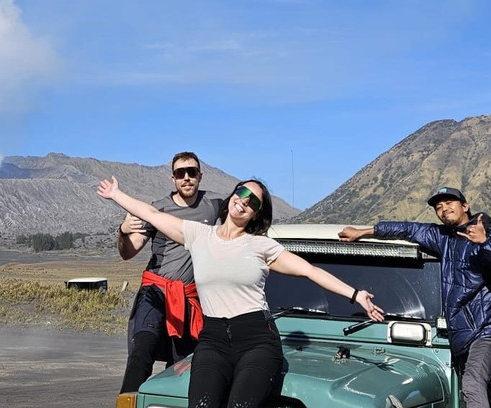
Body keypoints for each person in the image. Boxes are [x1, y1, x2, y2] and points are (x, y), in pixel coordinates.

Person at [99, 175, 385, 408]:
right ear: (232, 195)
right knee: (201, 404)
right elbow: (151, 214)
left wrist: (355, 294)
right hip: (212, 339)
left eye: (253, 201)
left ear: (256, 213)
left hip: (257, 340)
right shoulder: (198, 235)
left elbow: (310, 271)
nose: (244, 201)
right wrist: (116, 194)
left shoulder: (262, 246)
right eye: (242, 193)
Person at [339, 185, 491, 408]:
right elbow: (406, 229)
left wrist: (486, 243)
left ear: (465, 206)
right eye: (439, 207)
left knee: (473, 383)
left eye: (449, 203)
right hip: (463, 333)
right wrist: (363, 232)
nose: (444, 209)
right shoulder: (442, 237)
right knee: (479, 392)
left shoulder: (488, 235)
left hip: (488, 328)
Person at [116, 152, 223, 394]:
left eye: (191, 172)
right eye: (180, 173)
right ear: (173, 178)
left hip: (188, 298)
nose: (186, 177)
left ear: (200, 176)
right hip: (155, 293)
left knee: (181, 365)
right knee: (141, 351)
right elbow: (128, 252)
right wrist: (123, 231)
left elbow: (242, 213)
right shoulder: (158, 208)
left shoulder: (213, 205)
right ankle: (127, 401)